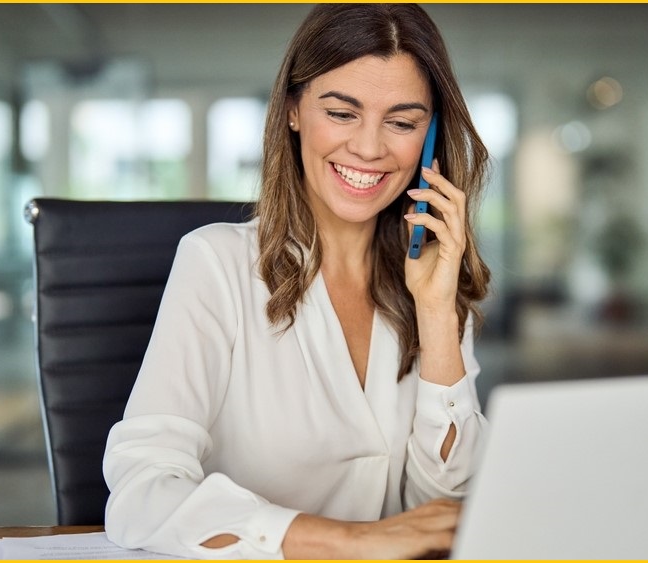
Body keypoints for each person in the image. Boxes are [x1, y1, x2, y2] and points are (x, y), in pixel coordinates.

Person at [103, 3, 491, 559]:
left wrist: (435, 316)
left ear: (429, 141)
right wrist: (351, 541)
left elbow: (443, 507)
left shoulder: (434, 282)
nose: (369, 147)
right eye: (341, 113)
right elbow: (141, 492)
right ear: (292, 110)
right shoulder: (216, 263)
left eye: (403, 123)